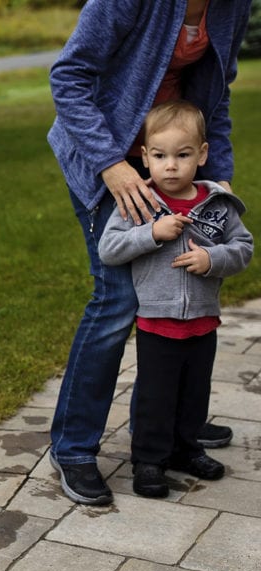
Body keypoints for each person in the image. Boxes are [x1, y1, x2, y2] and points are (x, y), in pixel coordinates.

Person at [46, 0, 253, 505]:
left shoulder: (233, 5)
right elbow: (68, 77)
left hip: (175, 162)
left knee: (178, 292)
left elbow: (216, 96)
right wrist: (111, 165)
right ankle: (72, 448)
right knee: (117, 301)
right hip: (108, 159)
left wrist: (216, 170)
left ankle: (165, 433)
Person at [98, 100, 252, 497]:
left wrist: (212, 257)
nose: (171, 166)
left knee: (194, 393)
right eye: (161, 156)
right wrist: (152, 233)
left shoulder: (217, 204)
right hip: (157, 322)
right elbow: (110, 248)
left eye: (182, 155)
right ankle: (149, 461)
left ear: (202, 155)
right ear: (145, 158)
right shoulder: (140, 203)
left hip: (203, 320)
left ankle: (187, 450)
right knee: (155, 397)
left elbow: (244, 247)